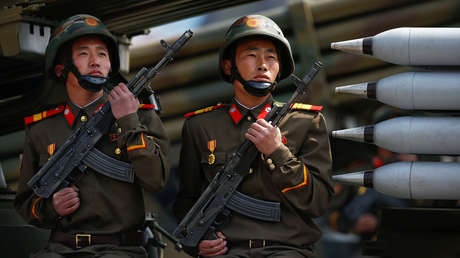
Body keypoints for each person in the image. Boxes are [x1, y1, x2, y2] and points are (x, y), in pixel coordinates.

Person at [173, 15, 334, 258]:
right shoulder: (201, 126)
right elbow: (187, 200)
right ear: (229, 67)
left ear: (280, 68)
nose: (262, 65)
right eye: (251, 55)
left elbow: (318, 202)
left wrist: (278, 152)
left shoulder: (306, 122)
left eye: (271, 57)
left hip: (287, 250)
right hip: (228, 252)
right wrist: (199, 242)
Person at [14, 14, 170, 258]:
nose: (95, 61)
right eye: (84, 54)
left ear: (110, 65)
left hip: (121, 250)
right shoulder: (42, 129)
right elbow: (26, 204)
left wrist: (128, 121)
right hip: (59, 249)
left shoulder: (140, 116)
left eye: (102, 54)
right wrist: (52, 207)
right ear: (61, 68)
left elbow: (156, 181)